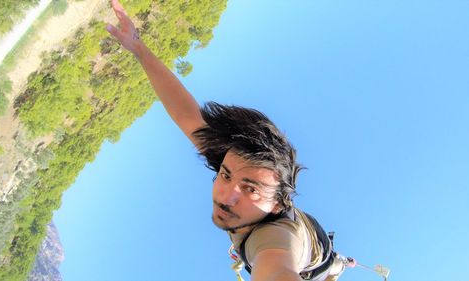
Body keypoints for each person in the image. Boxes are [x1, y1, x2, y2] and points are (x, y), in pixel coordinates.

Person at [106, 1, 354, 280]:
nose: (226, 197)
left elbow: (276, 269)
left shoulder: (274, 237)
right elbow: (187, 116)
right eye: (225, 175)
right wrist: (138, 47)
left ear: (276, 204)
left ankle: (340, 264)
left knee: (334, 266)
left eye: (250, 190)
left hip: (316, 254)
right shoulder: (255, 199)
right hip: (310, 247)